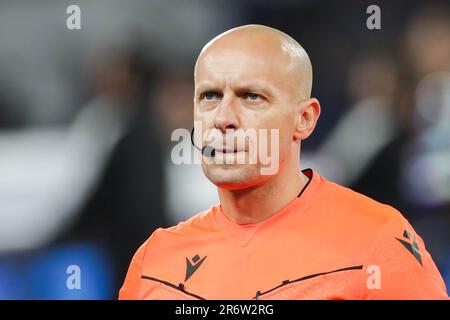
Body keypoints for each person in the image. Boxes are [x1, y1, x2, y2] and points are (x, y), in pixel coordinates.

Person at [119, 25, 448, 299]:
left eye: (252, 97)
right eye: (210, 96)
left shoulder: (379, 240)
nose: (223, 118)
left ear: (304, 119)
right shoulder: (155, 262)